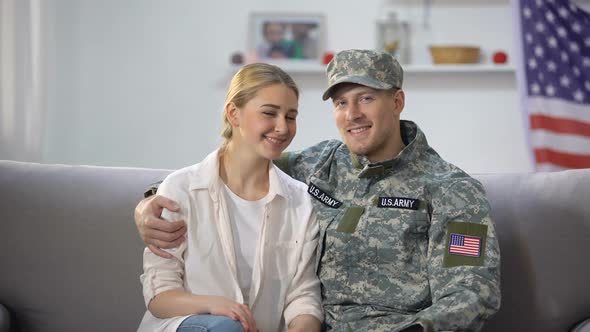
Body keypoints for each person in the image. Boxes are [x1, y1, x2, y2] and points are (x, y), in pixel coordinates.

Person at [135, 49, 501, 331]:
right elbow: (233, 169)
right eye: (341, 102)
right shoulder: (314, 165)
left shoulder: (452, 191)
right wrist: (151, 201)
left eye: (366, 98)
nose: (352, 113)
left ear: (397, 102)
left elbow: (471, 294)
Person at [137, 63, 323, 332]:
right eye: (269, 113)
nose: (282, 127)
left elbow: (303, 297)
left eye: (291, 116)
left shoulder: (301, 202)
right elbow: (159, 296)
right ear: (234, 113)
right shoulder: (180, 189)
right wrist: (217, 306)